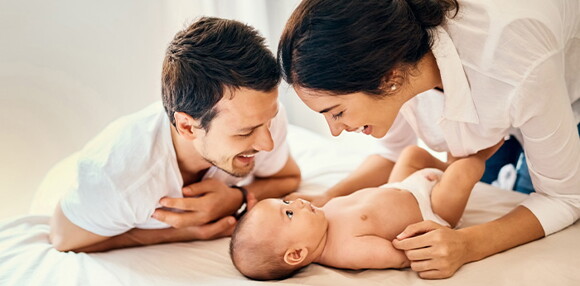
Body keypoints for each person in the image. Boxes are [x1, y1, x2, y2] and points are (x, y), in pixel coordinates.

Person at [279, 0, 579, 279]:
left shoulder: (516, 63)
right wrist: (326, 200)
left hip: (555, 85)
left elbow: (564, 197)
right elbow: (393, 152)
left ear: (389, 79)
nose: (335, 130)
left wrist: (467, 245)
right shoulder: (395, 57)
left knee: (513, 185)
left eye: (337, 112)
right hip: (512, 88)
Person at [47, 17, 301, 252]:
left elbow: (288, 177)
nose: (267, 143)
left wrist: (237, 199)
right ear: (188, 127)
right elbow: (63, 237)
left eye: (268, 122)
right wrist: (181, 233)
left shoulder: (262, 114)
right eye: (245, 132)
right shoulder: (121, 180)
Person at [230, 144, 495, 280]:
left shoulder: (318, 219)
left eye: (285, 203)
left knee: (412, 152)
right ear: (297, 253)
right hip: (431, 210)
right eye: (288, 214)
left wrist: (315, 199)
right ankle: (486, 147)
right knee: (466, 169)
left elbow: (347, 201)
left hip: (400, 186)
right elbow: (402, 255)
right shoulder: (347, 251)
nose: (295, 205)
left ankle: (445, 167)